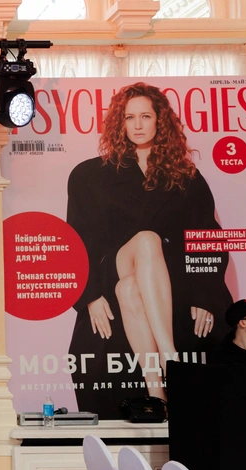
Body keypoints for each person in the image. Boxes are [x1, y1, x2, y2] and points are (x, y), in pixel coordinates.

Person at [66, 82, 232, 416]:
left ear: (160, 121)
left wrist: (205, 295)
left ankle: (157, 390)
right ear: (120, 123)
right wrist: (89, 295)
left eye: (146, 116)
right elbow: (77, 239)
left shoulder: (186, 176)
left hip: (165, 275)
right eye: (130, 117)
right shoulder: (89, 174)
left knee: (130, 289)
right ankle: (171, 359)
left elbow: (207, 234)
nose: (138, 125)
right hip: (112, 267)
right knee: (146, 239)